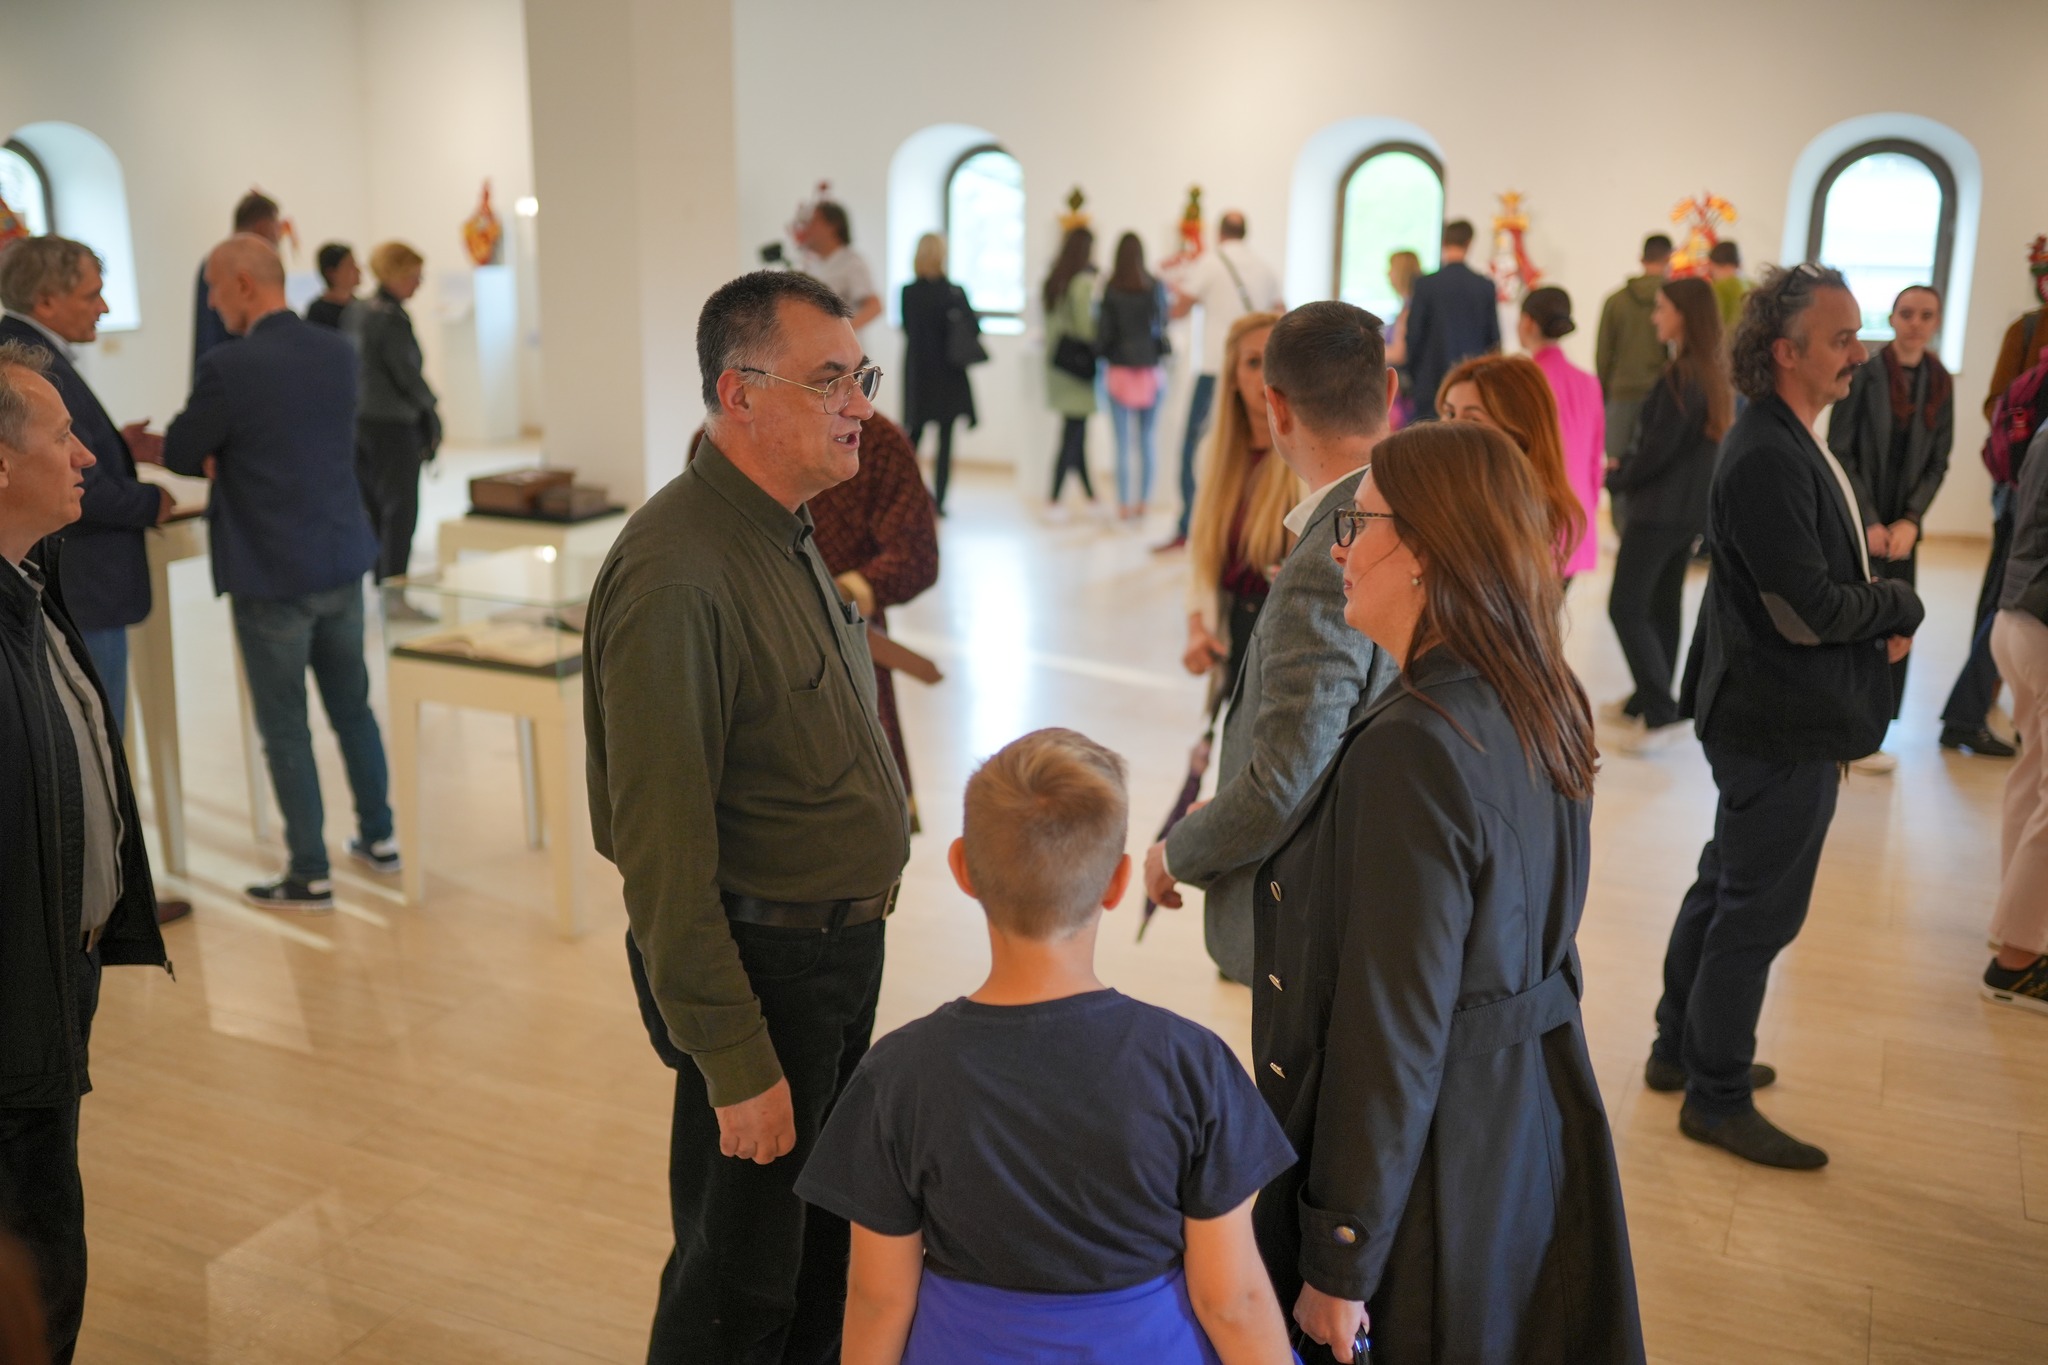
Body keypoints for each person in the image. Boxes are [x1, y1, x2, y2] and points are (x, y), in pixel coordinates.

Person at [1254, 422, 1643, 1364]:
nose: (1340, 546)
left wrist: (1340, 1256)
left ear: (1427, 547)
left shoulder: (1415, 746)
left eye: (1361, 521)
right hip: (1529, 1111)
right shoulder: (1537, 687)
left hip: (1437, 1157)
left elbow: (1390, 1027)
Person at [583, 269, 912, 1363]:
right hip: (764, 971)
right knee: (739, 1284)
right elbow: (661, 861)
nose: (858, 402)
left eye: (858, 376)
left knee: (811, 1260)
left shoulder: (781, 527)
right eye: (830, 380)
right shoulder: (678, 573)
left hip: (826, 958)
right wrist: (735, 1062)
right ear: (740, 393)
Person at [795, 728, 1298, 1364]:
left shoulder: (897, 1074)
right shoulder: (1190, 1064)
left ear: (962, 869)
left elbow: (878, 1298)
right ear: (1117, 884)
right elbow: (1233, 1301)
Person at [1657, 265, 1924, 1170]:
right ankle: (1715, 1092)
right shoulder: (1769, 450)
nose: (1861, 351)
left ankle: (1675, 1049)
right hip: (1774, 721)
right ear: (1786, 351)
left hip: (1763, 710)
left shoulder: (1785, 434)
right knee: (1756, 911)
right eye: (1843, 338)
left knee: (1725, 881)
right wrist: (1895, 607)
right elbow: (1804, 608)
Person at [1144, 301, 1400, 986]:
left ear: (1276, 407)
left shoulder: (1326, 560)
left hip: (1330, 913)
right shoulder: (1411, 507)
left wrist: (1175, 853)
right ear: (1392, 391)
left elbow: (1283, 781)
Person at [0, 340, 171, 1365]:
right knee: (37, 1245)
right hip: (16, 995)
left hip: (56, 967)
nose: (88, 457)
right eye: (63, 436)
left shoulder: (32, 581)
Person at [159, 235, 396, 911]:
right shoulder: (335, 350)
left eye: (211, 286)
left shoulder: (229, 366)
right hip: (340, 558)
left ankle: (309, 871)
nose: (208, 301)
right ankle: (380, 839)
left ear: (241, 283)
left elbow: (183, 446)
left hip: (271, 572)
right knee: (353, 708)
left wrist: (206, 452)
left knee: (286, 724)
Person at [0, 237, 191, 926]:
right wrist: (151, 500)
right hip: (85, 581)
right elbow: (71, 484)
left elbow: (65, 453)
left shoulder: (31, 350)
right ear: (45, 299)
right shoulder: (27, 358)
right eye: (91, 293)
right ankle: (105, 900)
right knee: (90, 747)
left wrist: (119, 446)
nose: (105, 306)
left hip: (84, 579)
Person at [1827, 285, 1953, 772]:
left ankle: (1875, 730)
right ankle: (1847, 729)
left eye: (1926, 315)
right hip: (1863, 523)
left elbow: (1939, 462)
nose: (1916, 323)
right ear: (1894, 318)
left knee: (1899, 624)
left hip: (1904, 528)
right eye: (1907, 313)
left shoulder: (1941, 381)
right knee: (1859, 619)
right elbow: (1842, 451)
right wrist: (1871, 520)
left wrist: (1912, 520)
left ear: (1936, 322)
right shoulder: (1866, 373)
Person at [1604, 277, 1732, 752]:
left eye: (1661, 309)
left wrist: (1618, 477)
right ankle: (1651, 697)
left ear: (1685, 315)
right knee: (1662, 602)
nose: (1655, 316)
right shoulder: (1708, 372)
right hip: (1686, 511)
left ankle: (1659, 707)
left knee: (1626, 605)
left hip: (1658, 510)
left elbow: (1658, 449)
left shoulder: (1681, 376)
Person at [1937, 240, 2048, 759]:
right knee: (2007, 602)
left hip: (2025, 488)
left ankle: (1997, 710)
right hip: (2021, 491)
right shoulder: (2025, 330)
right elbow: (1994, 404)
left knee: (2009, 602)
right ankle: (1969, 711)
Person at [810, 411, 940, 812]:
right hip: (750, 666)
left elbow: (916, 556)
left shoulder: (874, 438)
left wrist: (840, 594)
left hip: (851, 661)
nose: (858, 401)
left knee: (863, 830)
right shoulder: (726, 442)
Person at [1182, 310, 1292, 710]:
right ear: (1231, 377)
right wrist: (1198, 629)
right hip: (1235, 635)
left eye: (1277, 361)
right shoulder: (1213, 454)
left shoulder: (1306, 460)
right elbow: (1201, 553)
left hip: (1289, 647)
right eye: (1252, 362)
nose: (1266, 375)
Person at [1161, 211, 1284, 549]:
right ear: (1246, 233)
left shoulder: (1209, 263)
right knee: (1254, 450)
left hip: (1216, 369)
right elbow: (1282, 315)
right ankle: (1245, 528)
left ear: (1219, 233)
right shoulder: (1264, 267)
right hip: (1259, 372)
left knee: (1194, 450)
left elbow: (1179, 310)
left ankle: (1191, 527)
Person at [1985, 422, 2048, 1014]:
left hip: (2017, 618)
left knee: (2031, 777)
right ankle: (2018, 961)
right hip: (2041, 624)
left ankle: (2014, 925)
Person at [1435, 353, 1589, 576]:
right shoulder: (1448, 490)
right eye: (1449, 413)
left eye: (1472, 419)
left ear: (1517, 434)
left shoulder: (1514, 516)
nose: (1451, 428)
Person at [346, 241, 440, 595]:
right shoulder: (390, 318)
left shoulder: (358, 311)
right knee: (400, 512)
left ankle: (382, 582)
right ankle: (394, 590)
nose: (419, 283)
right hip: (392, 426)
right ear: (395, 274)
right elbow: (406, 373)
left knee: (374, 507)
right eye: (414, 275)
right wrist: (430, 409)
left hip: (362, 422)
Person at [1519, 285, 1606, 582]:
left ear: (1527, 322)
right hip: (1576, 518)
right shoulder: (1589, 382)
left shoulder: (1523, 380)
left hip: (1534, 519)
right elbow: (1595, 460)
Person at [897, 233, 977, 513]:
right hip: (948, 374)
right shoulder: (953, 292)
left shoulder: (908, 292)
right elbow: (973, 329)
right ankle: (939, 501)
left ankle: (907, 496)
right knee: (945, 440)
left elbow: (908, 329)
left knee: (913, 437)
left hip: (920, 371)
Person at [1098, 232, 1170, 521]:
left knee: (1122, 443)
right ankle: (1144, 503)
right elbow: (1162, 321)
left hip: (1119, 371)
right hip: (1149, 370)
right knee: (1146, 440)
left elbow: (1104, 332)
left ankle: (1123, 506)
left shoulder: (1111, 287)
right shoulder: (1153, 285)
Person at [1596, 235, 1674, 488]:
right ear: (1669, 259)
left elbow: (1603, 354)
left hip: (1620, 393)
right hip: (1660, 393)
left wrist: (1606, 393)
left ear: (1642, 258)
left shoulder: (1615, 301)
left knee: (1616, 466)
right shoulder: (1674, 303)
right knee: (1654, 466)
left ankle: (1622, 525)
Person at [1401, 220, 1500, 418]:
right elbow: (1494, 341)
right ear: (1469, 243)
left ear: (1443, 242)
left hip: (1429, 384)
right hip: (1470, 387)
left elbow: (1414, 336)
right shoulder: (1484, 286)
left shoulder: (1425, 285)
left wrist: (1412, 375)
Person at [1042, 226, 1099, 514]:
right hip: (1078, 368)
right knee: (1072, 435)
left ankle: (1091, 497)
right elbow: (1086, 328)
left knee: (1075, 432)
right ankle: (1054, 499)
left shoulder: (1054, 280)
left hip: (1058, 365)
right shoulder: (1082, 283)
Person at [193, 191, 281, 376]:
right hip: (234, 375)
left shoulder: (223, 264)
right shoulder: (221, 266)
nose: (278, 236)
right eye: (276, 227)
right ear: (262, 226)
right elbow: (208, 336)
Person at [796, 200, 881, 335]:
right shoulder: (812, 265)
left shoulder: (852, 262)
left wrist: (842, 333)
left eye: (814, 222)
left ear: (832, 226)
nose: (808, 228)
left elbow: (874, 306)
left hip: (842, 349)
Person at [1382, 249, 1423, 430]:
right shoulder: (1408, 306)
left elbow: (1399, 352)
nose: (1388, 273)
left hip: (1403, 394)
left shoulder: (1409, 308)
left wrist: (1366, 349)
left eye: (1391, 268)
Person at [305, 242, 360, 329]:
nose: (357, 270)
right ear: (331, 273)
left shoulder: (361, 308)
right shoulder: (318, 312)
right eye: (349, 266)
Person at [1708, 241, 1749, 333]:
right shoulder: (1754, 285)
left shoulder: (1718, 288)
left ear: (1711, 264)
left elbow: (1713, 324)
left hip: (1726, 343)